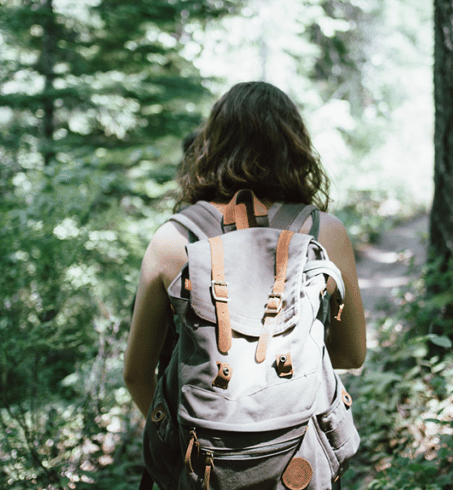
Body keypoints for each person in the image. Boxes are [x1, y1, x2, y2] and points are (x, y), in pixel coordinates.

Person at [123, 80, 366, 418]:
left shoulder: (174, 238)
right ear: (293, 147)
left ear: (212, 145)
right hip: (300, 455)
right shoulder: (325, 232)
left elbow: (136, 374)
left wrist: (173, 439)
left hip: (201, 458)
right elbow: (351, 356)